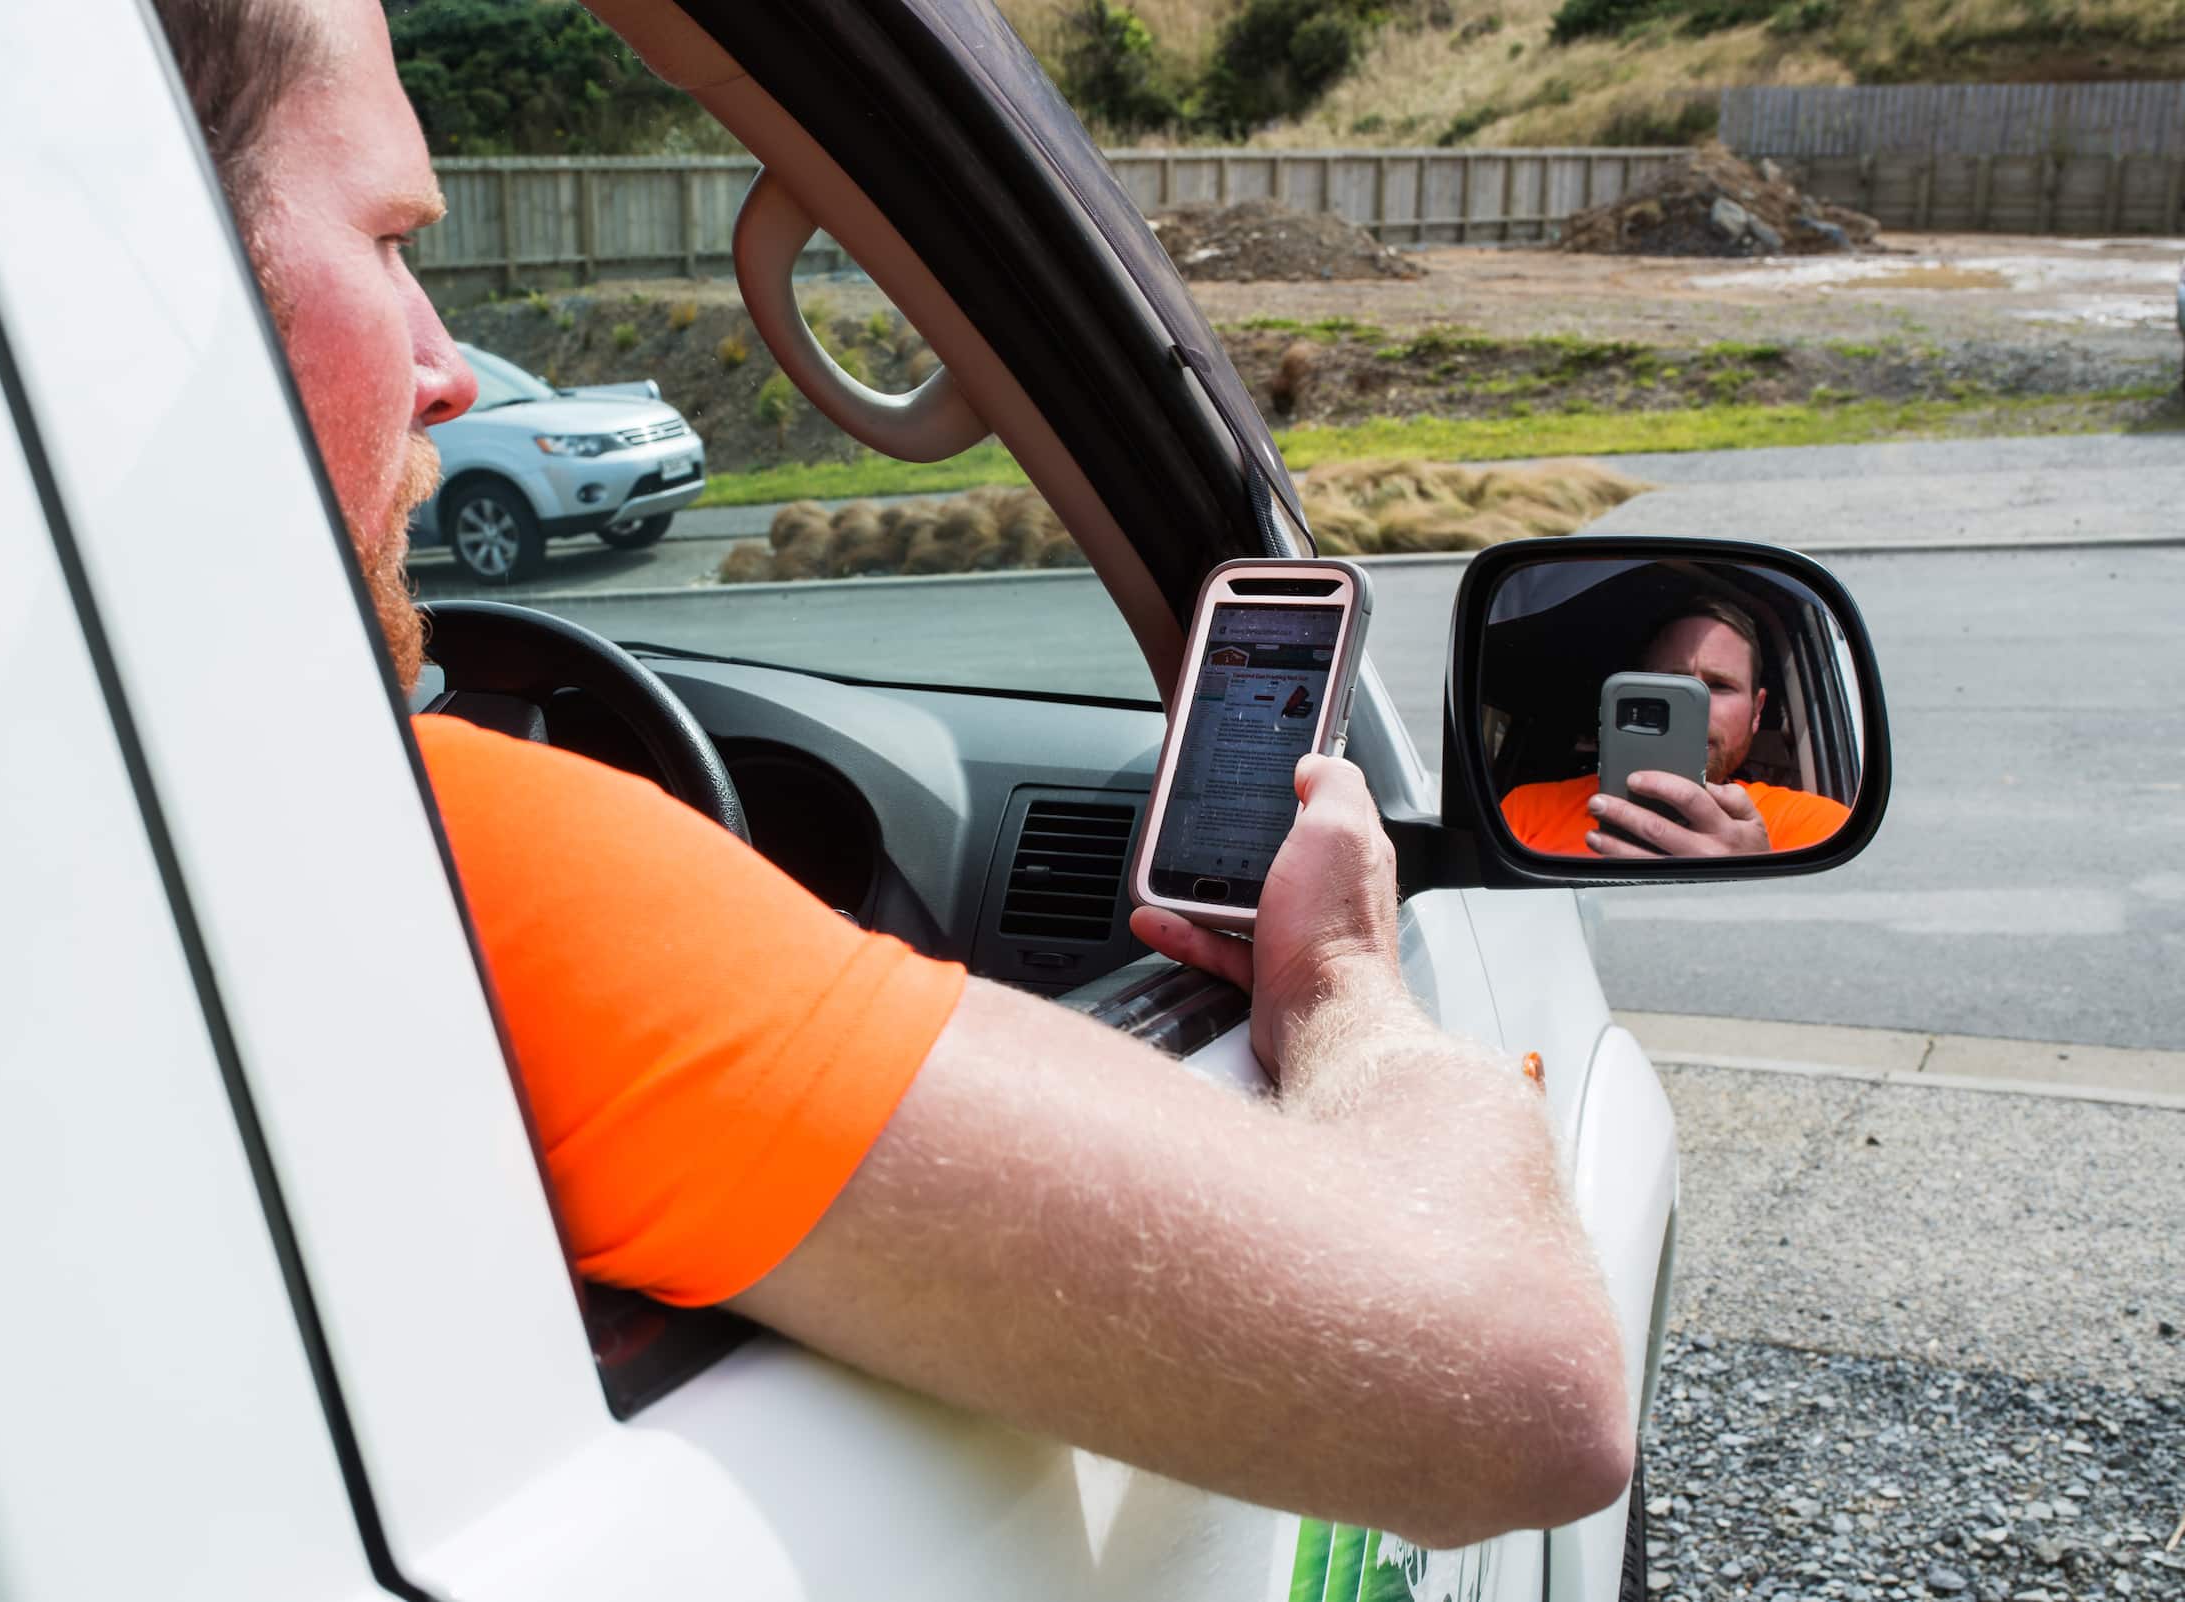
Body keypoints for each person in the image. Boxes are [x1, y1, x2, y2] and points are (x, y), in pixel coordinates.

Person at [152, 0, 1632, 1543]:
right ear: (157, 276)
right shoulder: (433, 860)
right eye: (391, 238)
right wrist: (1340, 990)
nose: (449, 368)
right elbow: (1532, 1393)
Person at [1500, 599, 1851, 858]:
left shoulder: (1817, 825)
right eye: (1674, 685)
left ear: (1757, 711)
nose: (1697, 709)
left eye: (1719, 686)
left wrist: (1754, 869)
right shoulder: (1527, 811)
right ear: (1633, 697)